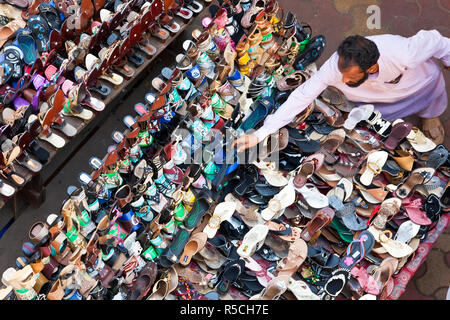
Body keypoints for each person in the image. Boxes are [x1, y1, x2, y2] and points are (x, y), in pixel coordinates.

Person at [234, 30, 450, 152]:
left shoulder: (403, 52)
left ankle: (432, 115)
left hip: (419, 83)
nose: (342, 81)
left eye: (350, 78)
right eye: (342, 74)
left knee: (430, 98)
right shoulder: (335, 67)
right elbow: (303, 95)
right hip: (376, 97)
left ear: (372, 67)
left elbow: (437, 42)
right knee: (382, 113)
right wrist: (263, 132)